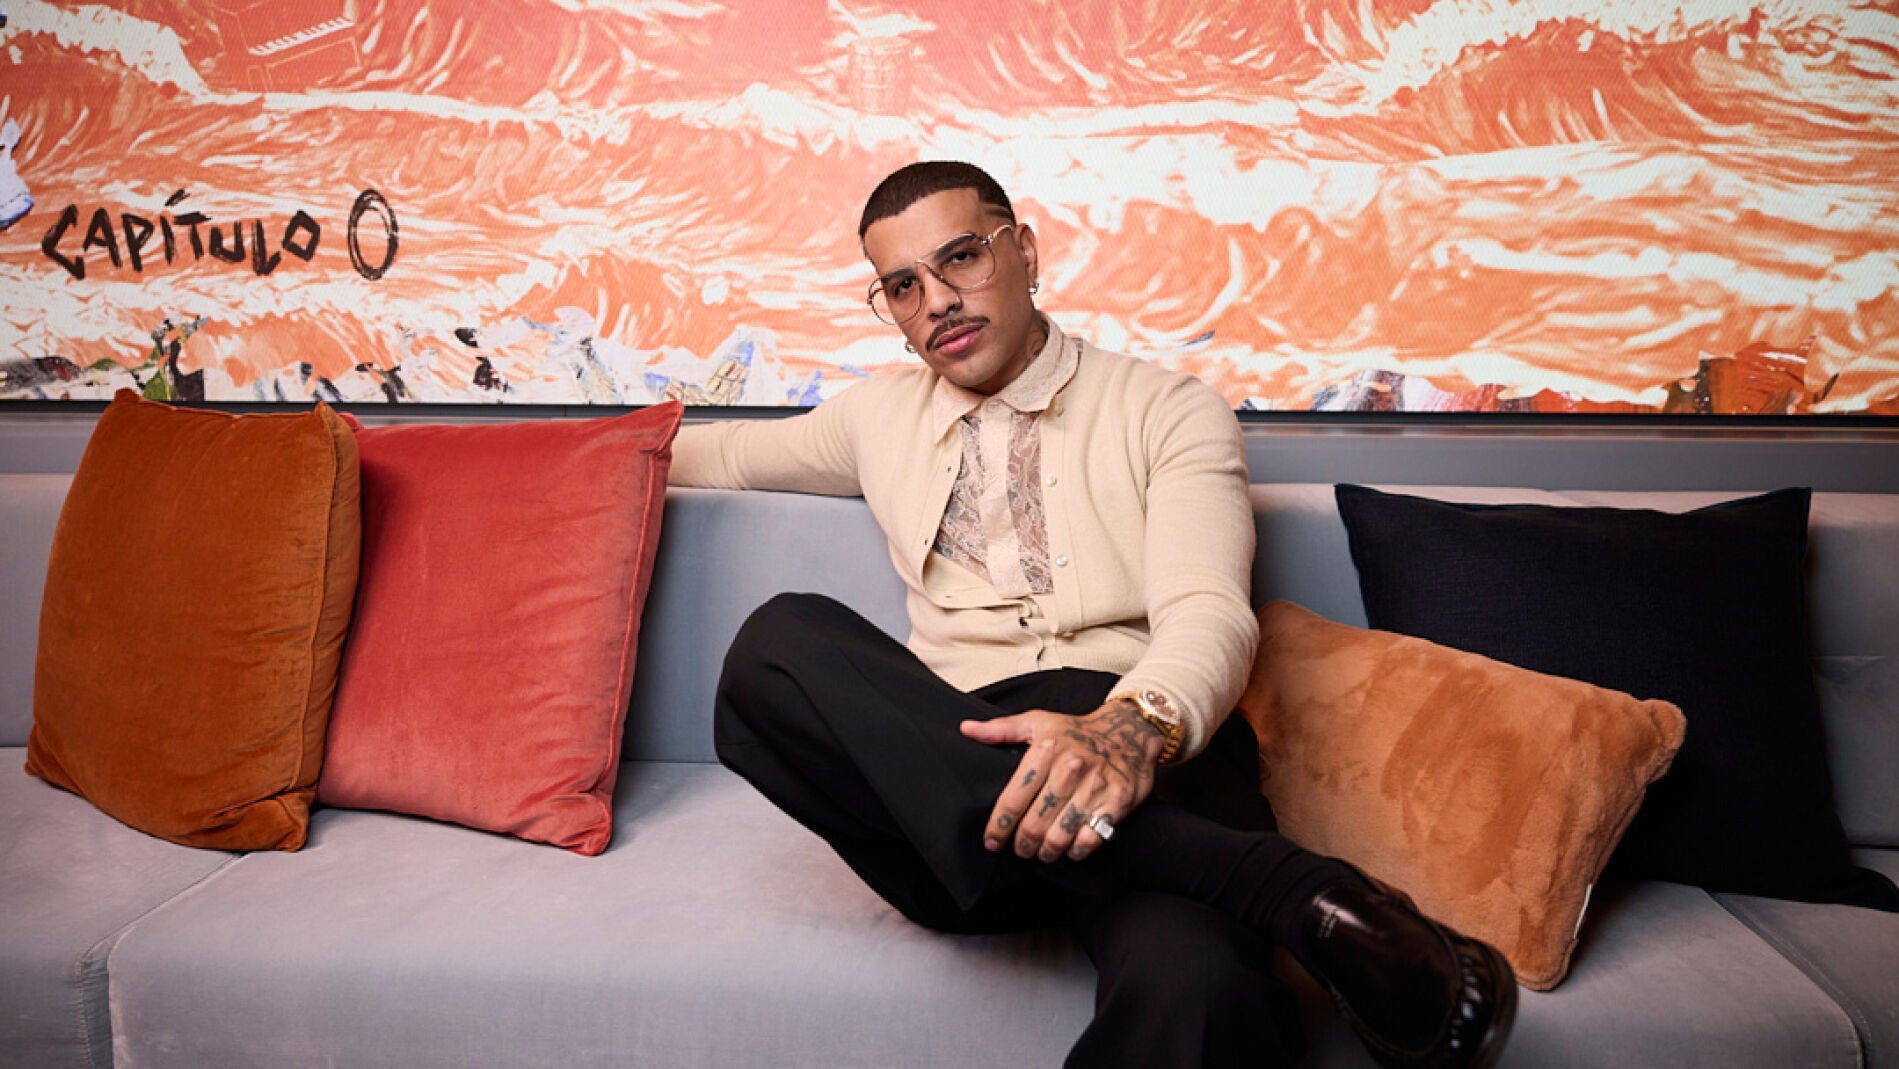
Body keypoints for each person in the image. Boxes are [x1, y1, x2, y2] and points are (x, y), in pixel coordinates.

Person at [669, 161, 1515, 1069]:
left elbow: (1209, 612)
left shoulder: (1168, 409)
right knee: (775, 645)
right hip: (961, 803)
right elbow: (715, 455)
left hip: (1152, 762)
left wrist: (1128, 732)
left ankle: (1201, 866)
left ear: (1025, 252)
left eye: (961, 257)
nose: (937, 301)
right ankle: (1285, 886)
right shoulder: (873, 416)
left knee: (1199, 990)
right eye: (902, 286)